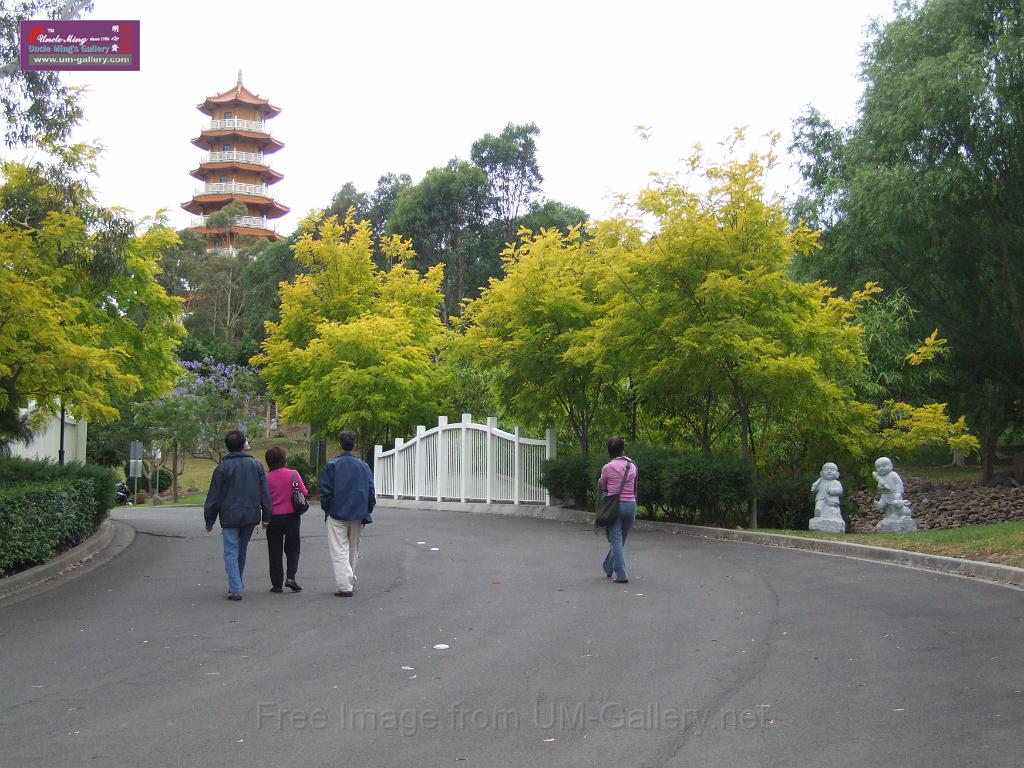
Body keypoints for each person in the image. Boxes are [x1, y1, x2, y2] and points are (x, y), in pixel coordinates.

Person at [204, 430, 273, 601]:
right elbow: (265, 493)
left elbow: (214, 496)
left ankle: (235, 586)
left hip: (229, 516)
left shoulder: (222, 468)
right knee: (241, 550)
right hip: (251, 514)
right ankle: (236, 583)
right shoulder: (256, 465)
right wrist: (267, 516)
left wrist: (209, 519)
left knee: (230, 551)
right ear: (243, 445)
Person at [319, 431, 376, 597]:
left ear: (340, 445)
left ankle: (345, 585)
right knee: (353, 549)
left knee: (339, 549)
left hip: (337, 512)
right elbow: (371, 491)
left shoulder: (332, 466)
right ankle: (348, 579)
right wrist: (367, 509)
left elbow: (325, 492)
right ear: (355, 445)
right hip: (358, 512)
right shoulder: (364, 466)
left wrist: (328, 509)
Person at [263, 446, 308, 593]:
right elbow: (304, 492)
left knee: (274, 550)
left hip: (273, 517)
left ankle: (277, 584)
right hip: (292, 516)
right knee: (293, 547)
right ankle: (291, 577)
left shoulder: (266, 478)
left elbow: (262, 498)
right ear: (284, 459)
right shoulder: (293, 474)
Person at [598, 436, 638, 584]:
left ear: (609, 451)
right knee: (620, 541)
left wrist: (600, 482)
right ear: (622, 450)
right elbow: (634, 485)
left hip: (615, 506)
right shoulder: (632, 466)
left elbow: (603, 486)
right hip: (631, 505)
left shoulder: (607, 467)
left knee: (616, 540)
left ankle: (622, 575)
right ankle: (608, 567)